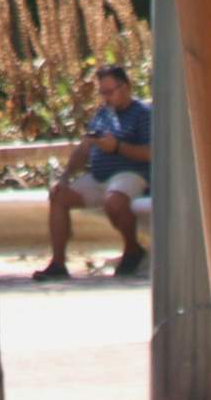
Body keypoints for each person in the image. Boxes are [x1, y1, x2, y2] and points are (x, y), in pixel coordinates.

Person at [27, 63, 153, 281]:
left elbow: (151, 153)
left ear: (126, 87)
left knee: (114, 200)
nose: (106, 98)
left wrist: (117, 147)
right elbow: (84, 148)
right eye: (102, 93)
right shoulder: (103, 115)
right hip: (99, 177)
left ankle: (132, 249)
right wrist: (65, 177)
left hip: (130, 174)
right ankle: (58, 263)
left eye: (110, 92)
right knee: (58, 195)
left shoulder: (143, 114)